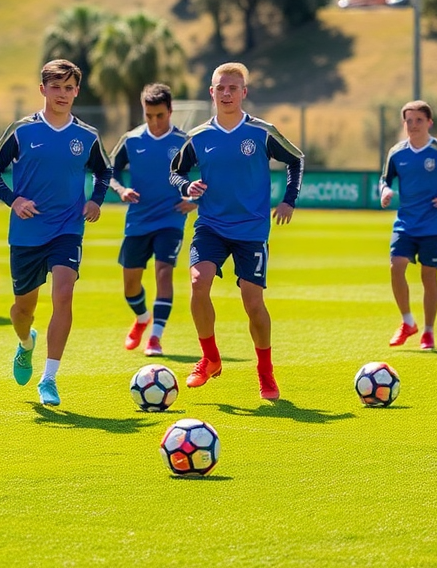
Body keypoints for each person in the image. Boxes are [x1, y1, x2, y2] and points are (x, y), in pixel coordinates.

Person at [170, 62, 304, 401]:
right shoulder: (198, 137)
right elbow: (175, 173)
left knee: (253, 303)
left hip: (251, 230)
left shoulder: (261, 131)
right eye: (220, 87)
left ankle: (265, 372)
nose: (226, 93)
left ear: (244, 93)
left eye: (233, 88)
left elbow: (296, 160)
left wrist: (289, 200)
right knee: (198, 283)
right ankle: (210, 358)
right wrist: (188, 185)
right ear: (211, 92)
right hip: (211, 225)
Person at [0, 59, 111, 407]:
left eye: (69, 88)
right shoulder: (21, 131)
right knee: (22, 310)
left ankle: (50, 378)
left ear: (77, 91)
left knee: (64, 294)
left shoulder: (86, 136)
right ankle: (26, 344)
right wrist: (14, 199)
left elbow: (104, 172)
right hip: (26, 232)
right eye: (56, 87)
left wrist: (96, 201)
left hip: (68, 228)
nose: (63, 94)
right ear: (42, 89)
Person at [378, 100, 437, 351]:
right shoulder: (397, 152)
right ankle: (407, 322)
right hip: (406, 222)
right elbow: (385, 179)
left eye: (418, 120)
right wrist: (386, 191)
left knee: (427, 275)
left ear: (429, 122)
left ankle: (429, 332)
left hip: (433, 223)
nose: (413, 125)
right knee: (396, 266)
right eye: (408, 121)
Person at [109, 83, 196, 357]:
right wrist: (122, 190)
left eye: (160, 115)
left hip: (171, 218)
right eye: (149, 116)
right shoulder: (131, 140)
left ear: (170, 111)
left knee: (163, 272)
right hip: (138, 219)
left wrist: (194, 201)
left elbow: (213, 173)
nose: (155, 122)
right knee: (130, 285)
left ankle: (155, 337)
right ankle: (142, 317)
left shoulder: (184, 141)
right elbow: (110, 172)